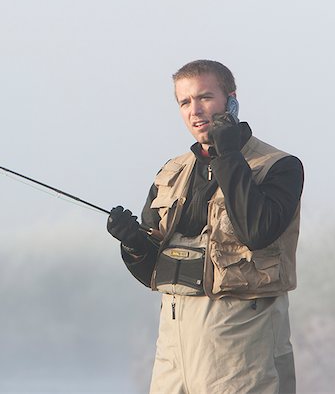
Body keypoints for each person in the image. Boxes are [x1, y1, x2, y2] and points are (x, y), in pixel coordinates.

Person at [106, 60, 304, 394]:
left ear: (231, 99)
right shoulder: (170, 172)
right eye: (184, 102)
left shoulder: (279, 167)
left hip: (242, 356)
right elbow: (154, 272)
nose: (195, 110)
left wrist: (227, 153)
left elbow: (256, 231)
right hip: (173, 354)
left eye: (205, 97)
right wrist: (131, 244)